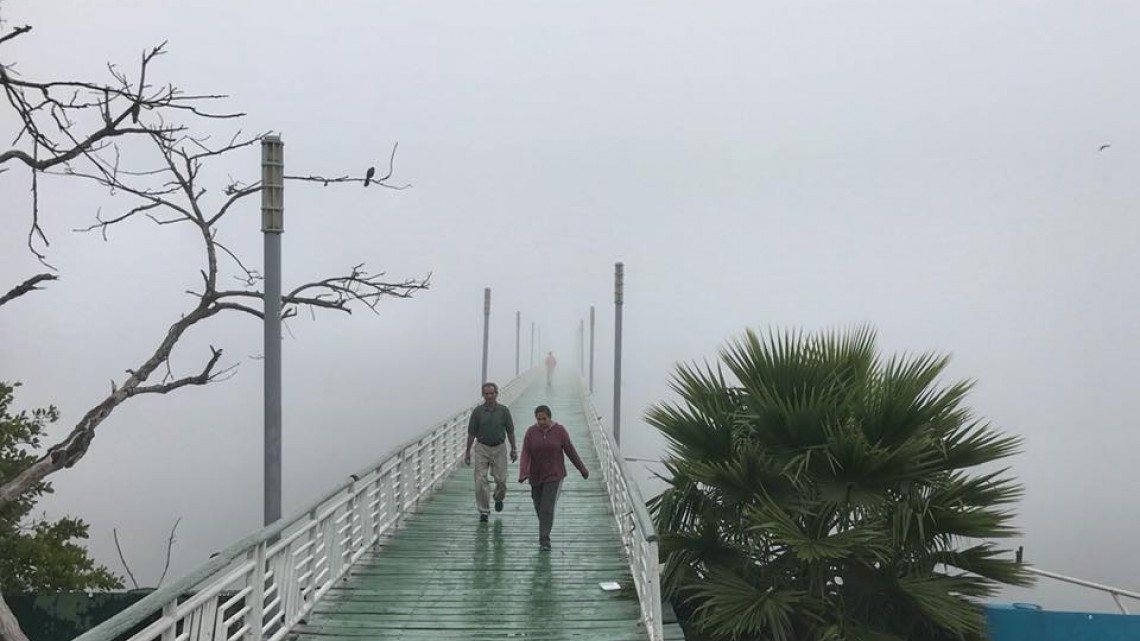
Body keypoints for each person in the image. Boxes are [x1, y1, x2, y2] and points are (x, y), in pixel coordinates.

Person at [518, 404, 588, 550]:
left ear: (550, 417)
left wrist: (582, 469)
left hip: (554, 475)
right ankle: (545, 525)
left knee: (547, 508)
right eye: (539, 419)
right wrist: (523, 472)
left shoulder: (560, 431)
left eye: (544, 419)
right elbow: (525, 453)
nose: (542, 422)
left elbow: (570, 451)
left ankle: (544, 540)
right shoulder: (531, 432)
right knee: (538, 506)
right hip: (535, 475)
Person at [464, 382, 517, 522]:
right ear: (483, 395)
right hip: (482, 447)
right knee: (480, 480)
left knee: (501, 480)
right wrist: (467, 451)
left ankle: (498, 498)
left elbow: (510, 431)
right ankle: (484, 511)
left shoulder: (504, 411)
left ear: (496, 394)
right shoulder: (477, 412)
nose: (489, 396)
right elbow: (471, 433)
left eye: (492, 393)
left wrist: (514, 448)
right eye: (486, 394)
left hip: (499, 448)